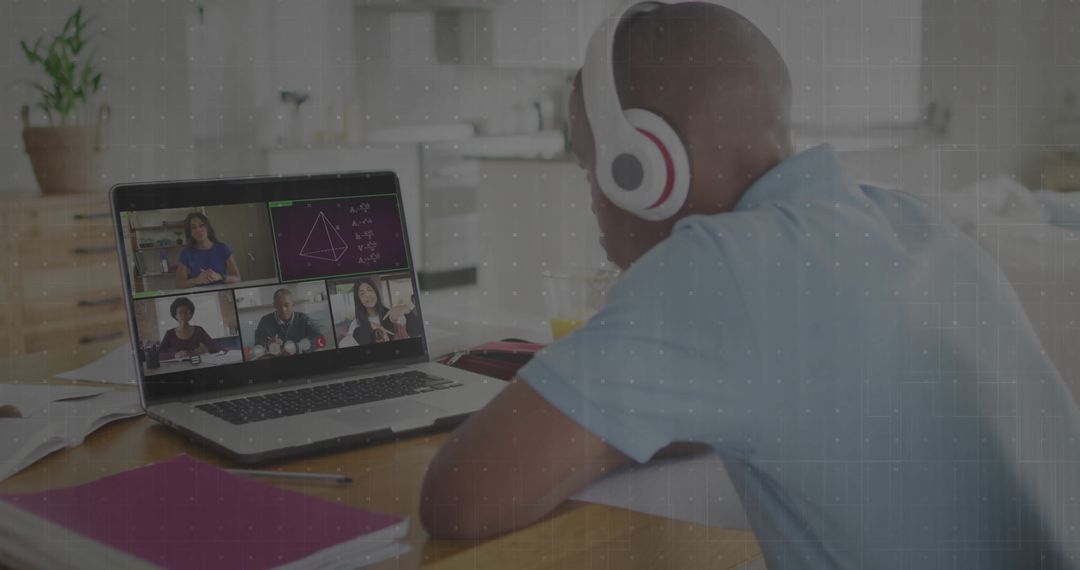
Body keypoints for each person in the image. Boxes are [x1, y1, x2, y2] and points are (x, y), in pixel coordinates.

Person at [420, 3, 1080, 568]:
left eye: (592, 167)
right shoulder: (914, 225)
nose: (592, 197)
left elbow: (462, 494)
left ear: (644, 165)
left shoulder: (722, 265)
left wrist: (582, 440)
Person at [340, 278, 419, 347]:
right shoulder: (356, 324)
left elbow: (417, 332)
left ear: (376, 292)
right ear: (359, 300)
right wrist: (368, 329)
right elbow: (346, 344)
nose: (367, 295)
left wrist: (407, 311)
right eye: (362, 294)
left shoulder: (393, 315)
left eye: (370, 290)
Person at [176, 212, 241, 288]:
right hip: (200, 296)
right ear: (190, 233)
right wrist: (197, 280)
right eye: (193, 228)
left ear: (207, 227)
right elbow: (179, 284)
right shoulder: (187, 252)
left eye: (201, 225)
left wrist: (220, 276)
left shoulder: (223, 248)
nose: (198, 230)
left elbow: (237, 277)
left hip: (222, 293)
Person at [252, 288, 322, 353]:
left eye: (286, 305)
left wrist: (297, 347)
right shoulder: (265, 321)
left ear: (293, 304)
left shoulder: (303, 318)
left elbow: (320, 339)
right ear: (274, 305)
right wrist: (268, 345)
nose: (283, 309)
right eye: (279, 306)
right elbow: (257, 348)